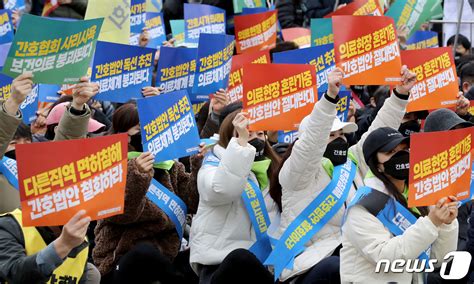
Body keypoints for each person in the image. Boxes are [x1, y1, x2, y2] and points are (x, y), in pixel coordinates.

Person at [267, 66, 417, 283]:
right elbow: (310, 144)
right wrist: (329, 99)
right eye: (331, 134)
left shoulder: (351, 163)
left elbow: (377, 137)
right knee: (338, 267)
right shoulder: (298, 173)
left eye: (341, 134)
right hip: (309, 266)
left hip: (352, 258)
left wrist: (400, 95)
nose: (339, 139)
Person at [0, 75, 102, 283]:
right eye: (14, 143)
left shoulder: (41, 167)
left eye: (25, 141)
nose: (20, 148)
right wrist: (12, 103)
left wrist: (77, 107)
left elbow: (64, 154)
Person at [93, 102, 201, 284]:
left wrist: (198, 164)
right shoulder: (111, 168)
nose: (147, 136)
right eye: (140, 130)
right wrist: (138, 175)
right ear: (125, 136)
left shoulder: (169, 165)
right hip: (124, 258)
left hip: (167, 255)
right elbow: (123, 215)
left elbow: (193, 202)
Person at [341, 127, 459, 283]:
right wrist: (431, 222)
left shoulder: (420, 196)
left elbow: (438, 260)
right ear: (376, 164)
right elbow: (386, 258)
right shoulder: (363, 207)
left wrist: (446, 224)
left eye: (405, 150)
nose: (401, 156)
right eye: (391, 152)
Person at [189, 109, 281, 284]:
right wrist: (241, 146)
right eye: (246, 133)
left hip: (263, 266)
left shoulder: (274, 171)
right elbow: (223, 190)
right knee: (241, 258)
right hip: (221, 265)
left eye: (259, 133)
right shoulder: (211, 167)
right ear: (228, 139)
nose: (253, 138)